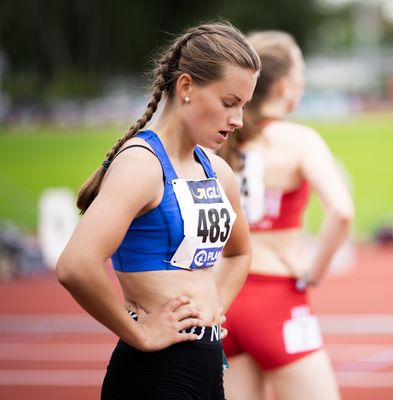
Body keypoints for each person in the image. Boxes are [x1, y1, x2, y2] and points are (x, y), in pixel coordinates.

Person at [56, 21, 261, 400]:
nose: (238, 120)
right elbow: (76, 265)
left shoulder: (217, 171)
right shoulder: (141, 165)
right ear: (186, 87)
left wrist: (213, 310)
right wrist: (140, 334)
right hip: (155, 375)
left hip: (207, 367)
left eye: (244, 106)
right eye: (229, 103)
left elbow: (240, 251)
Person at [216, 31, 354, 400]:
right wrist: (313, 272)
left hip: (222, 295)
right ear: (284, 85)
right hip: (275, 297)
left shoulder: (220, 136)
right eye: (302, 74)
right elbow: (341, 211)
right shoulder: (299, 140)